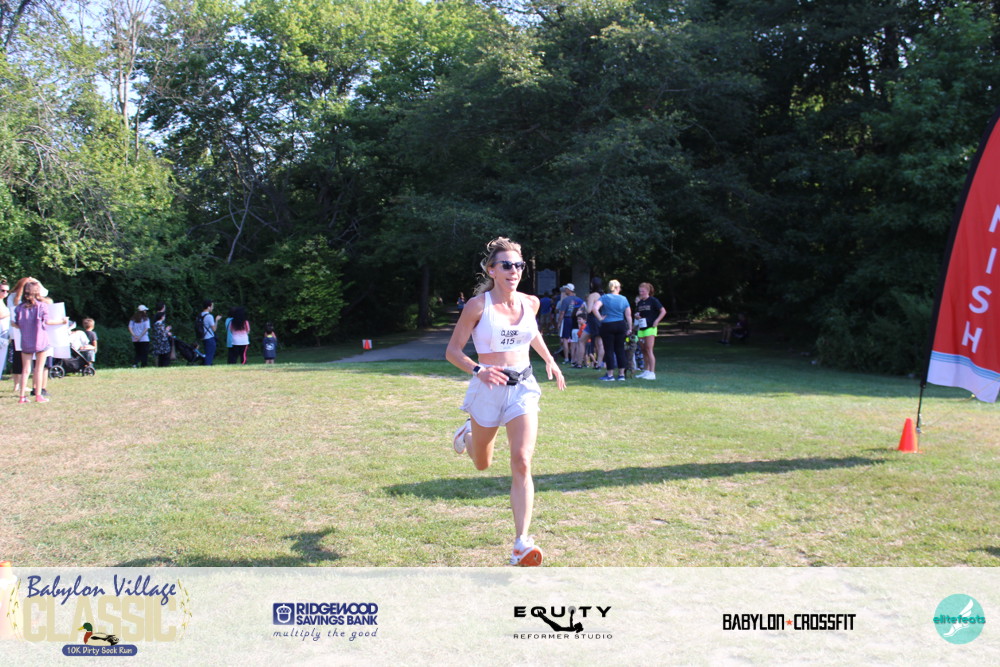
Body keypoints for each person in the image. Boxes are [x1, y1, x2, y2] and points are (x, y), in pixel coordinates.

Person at [446, 236, 565, 566]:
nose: (514, 271)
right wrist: (479, 370)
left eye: (519, 265)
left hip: (523, 387)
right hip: (487, 388)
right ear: (492, 270)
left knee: (522, 460)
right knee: (482, 464)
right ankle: (468, 435)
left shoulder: (531, 302)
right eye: (507, 265)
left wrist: (549, 359)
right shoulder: (477, 306)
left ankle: (521, 543)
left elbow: (532, 332)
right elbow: (452, 352)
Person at [12, 280, 67, 403]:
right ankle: (38, 395)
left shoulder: (19, 308)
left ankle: (22, 397)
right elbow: (47, 322)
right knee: (39, 369)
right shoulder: (41, 306)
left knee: (25, 370)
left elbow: (17, 324)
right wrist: (62, 322)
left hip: (26, 341)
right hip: (41, 341)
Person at [593, 279, 632, 381]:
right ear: (617, 288)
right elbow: (628, 315)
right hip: (620, 325)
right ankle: (621, 375)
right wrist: (630, 328)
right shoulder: (623, 299)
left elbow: (594, 308)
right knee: (620, 349)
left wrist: (600, 318)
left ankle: (610, 375)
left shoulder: (604, 297)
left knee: (609, 350)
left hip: (608, 325)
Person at [633, 282, 667, 380]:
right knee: (643, 350)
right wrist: (637, 316)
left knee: (649, 349)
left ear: (648, 291)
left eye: (643, 291)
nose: (641, 293)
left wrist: (657, 321)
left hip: (650, 328)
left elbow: (663, 311)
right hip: (641, 328)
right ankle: (646, 371)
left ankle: (652, 373)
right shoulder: (640, 302)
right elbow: (638, 313)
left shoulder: (653, 300)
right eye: (640, 291)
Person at [556, 284, 582, 365]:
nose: (565, 290)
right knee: (575, 339)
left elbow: (562, 313)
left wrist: (559, 323)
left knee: (565, 339)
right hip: (576, 320)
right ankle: (575, 358)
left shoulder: (565, 300)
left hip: (567, 319)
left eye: (566, 289)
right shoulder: (579, 300)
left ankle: (566, 358)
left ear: (569, 290)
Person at [585, 277, 605, 369]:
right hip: (601, 319)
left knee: (598, 343)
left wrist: (585, 306)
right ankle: (599, 363)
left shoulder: (592, 295)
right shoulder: (603, 295)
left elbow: (589, 310)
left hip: (593, 320)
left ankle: (598, 364)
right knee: (600, 343)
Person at [198, 300, 220, 365]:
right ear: (208, 307)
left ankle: (207, 364)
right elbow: (214, 329)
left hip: (203, 337)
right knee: (209, 355)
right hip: (209, 338)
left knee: (207, 353)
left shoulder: (200, 315)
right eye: (212, 306)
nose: (212, 308)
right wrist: (216, 320)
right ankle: (207, 366)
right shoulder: (209, 316)